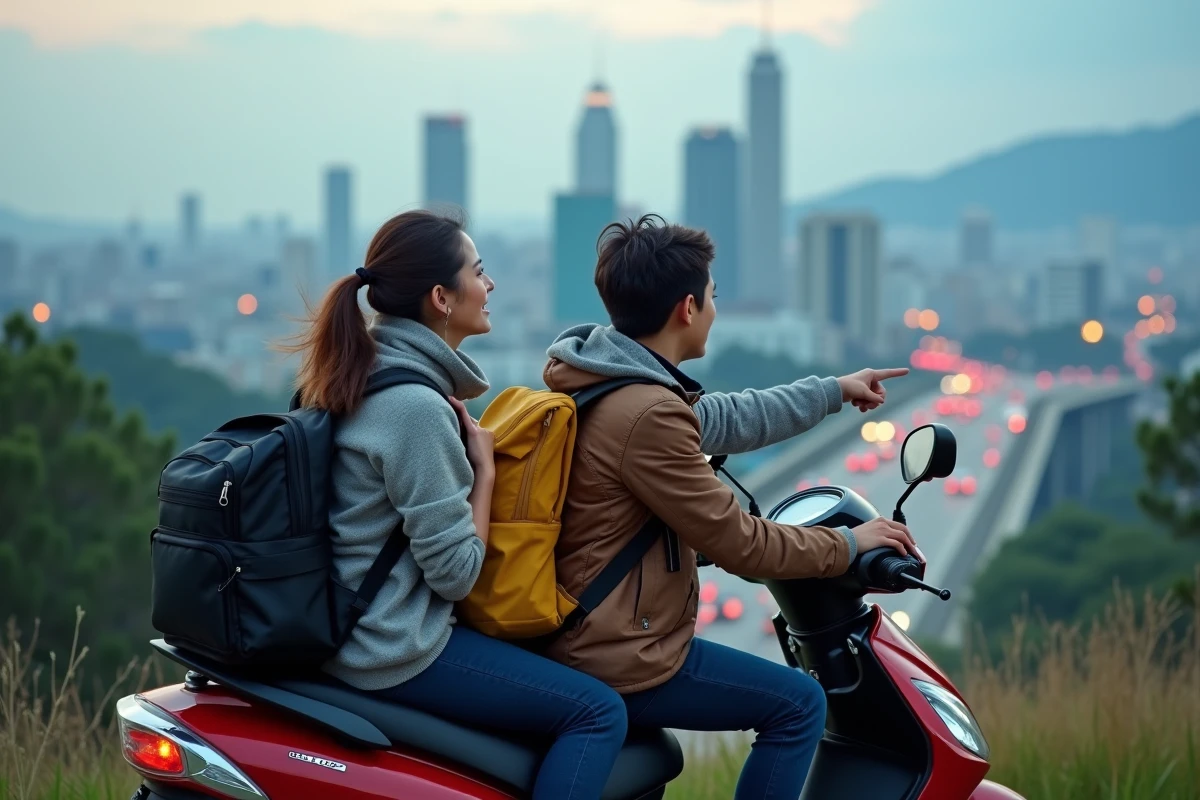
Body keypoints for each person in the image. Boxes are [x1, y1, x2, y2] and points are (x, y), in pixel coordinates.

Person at [541, 214, 918, 800]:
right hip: (612, 651)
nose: (716, 309)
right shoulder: (647, 412)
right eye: (713, 297)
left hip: (586, 631)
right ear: (687, 309)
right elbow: (742, 545)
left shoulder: (606, 382)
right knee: (798, 704)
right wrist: (851, 543)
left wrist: (833, 390)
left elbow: (730, 417)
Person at [288, 210, 626, 800]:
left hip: (344, 627)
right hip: (390, 649)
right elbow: (456, 576)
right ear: (442, 297)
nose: (490, 286)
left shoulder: (354, 372)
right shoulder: (416, 410)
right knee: (597, 713)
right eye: (480, 271)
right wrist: (486, 471)